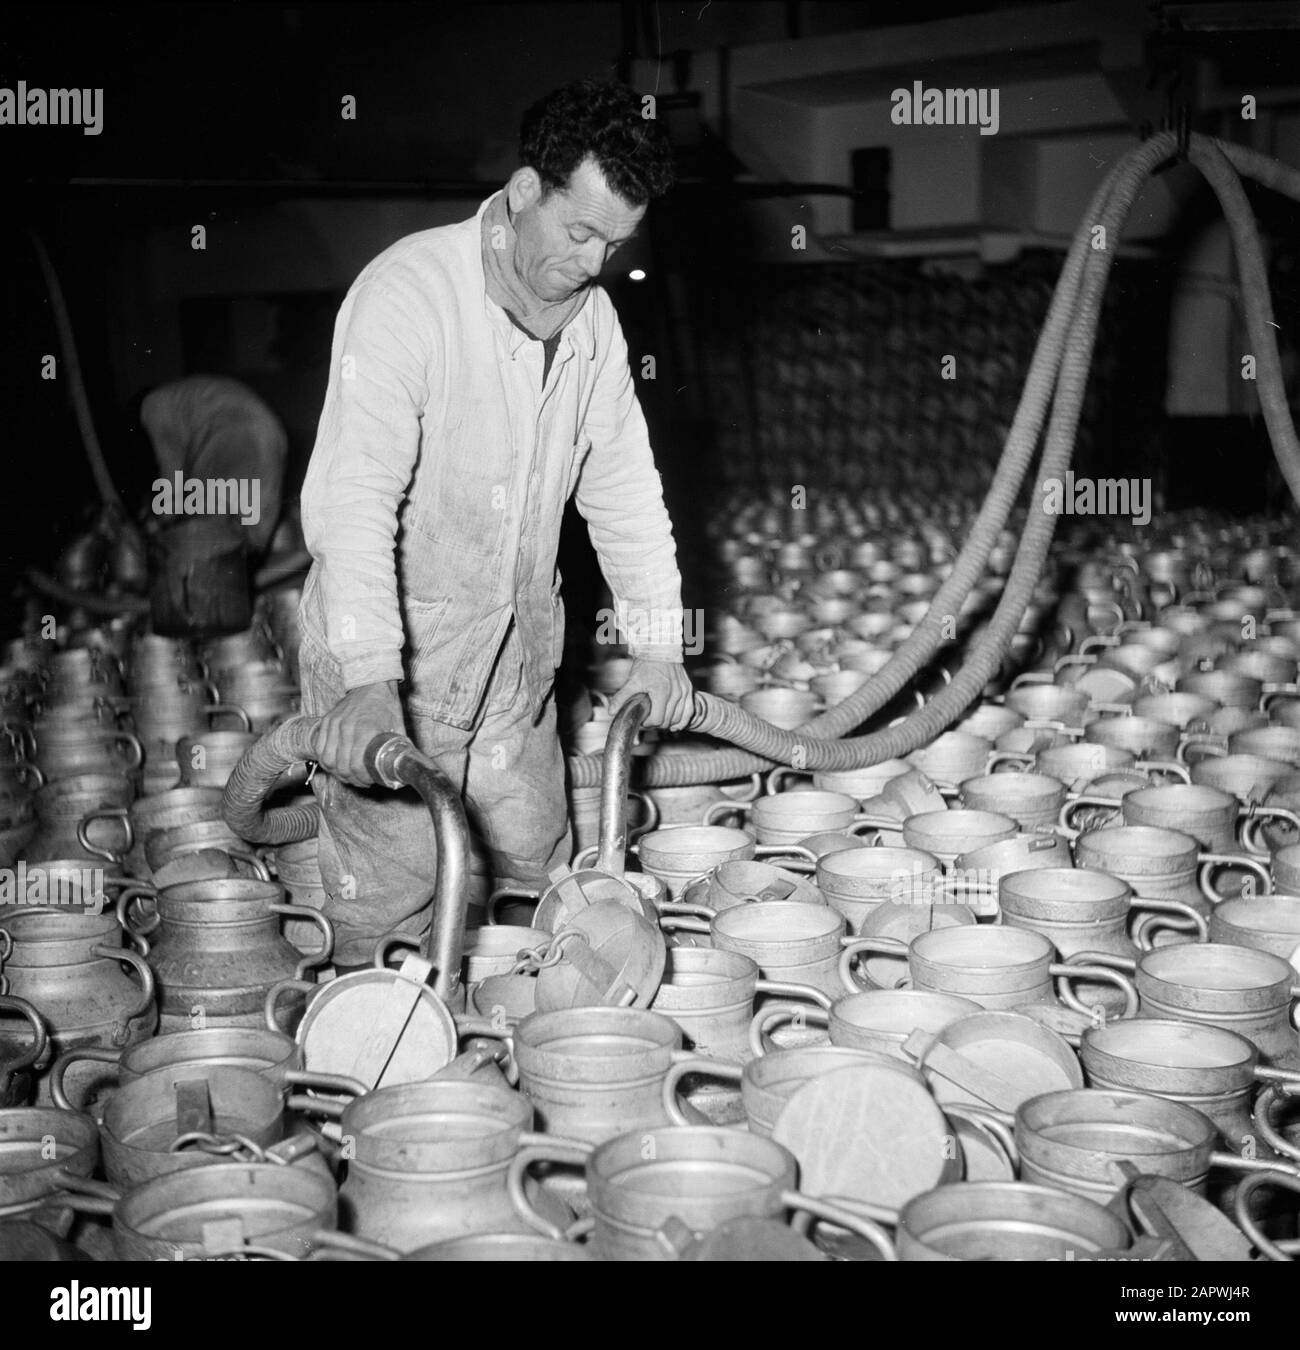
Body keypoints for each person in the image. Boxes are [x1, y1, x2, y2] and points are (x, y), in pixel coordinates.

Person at [297, 79, 694, 969]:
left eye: (617, 243)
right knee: (393, 906)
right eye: (580, 233)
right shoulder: (409, 296)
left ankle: (528, 1072)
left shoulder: (593, 325)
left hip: (515, 660)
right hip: (395, 666)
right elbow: (353, 500)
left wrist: (660, 645)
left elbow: (625, 488)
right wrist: (366, 679)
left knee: (540, 879)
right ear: (523, 193)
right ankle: (389, 1078)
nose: (596, 265)